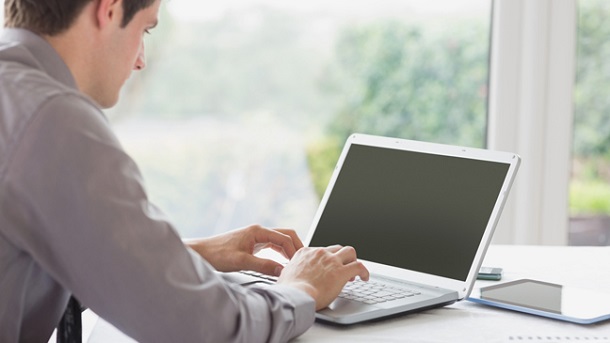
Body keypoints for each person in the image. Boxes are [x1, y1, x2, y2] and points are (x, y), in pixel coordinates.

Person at [0, 0, 370, 342]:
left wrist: (185, 255)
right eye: (145, 29)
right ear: (109, 10)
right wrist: (301, 288)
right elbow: (205, 329)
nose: (141, 60)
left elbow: (57, 257)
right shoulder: (53, 120)